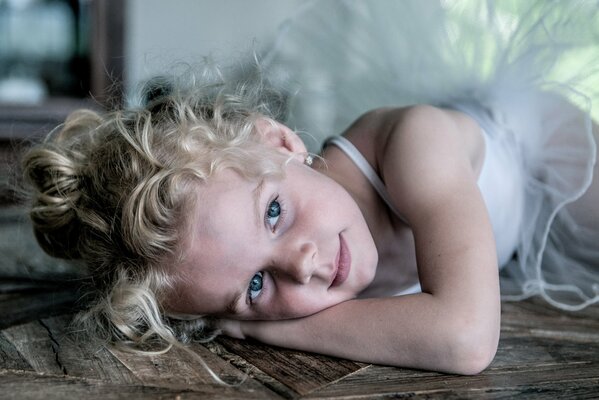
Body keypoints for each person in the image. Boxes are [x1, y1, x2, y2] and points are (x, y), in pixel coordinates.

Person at [21, 0, 599, 376]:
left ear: (279, 142)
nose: (301, 266)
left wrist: (253, 323)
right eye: (254, 284)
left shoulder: (411, 146)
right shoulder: (315, 262)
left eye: (273, 212)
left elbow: (467, 338)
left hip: (545, 162)